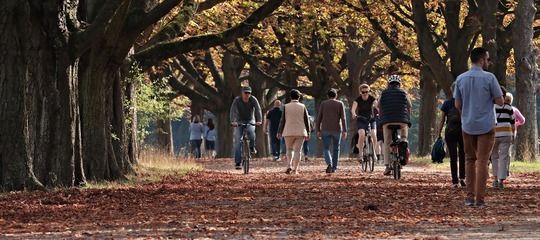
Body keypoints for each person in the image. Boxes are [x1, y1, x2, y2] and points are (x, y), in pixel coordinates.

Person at [454, 47, 504, 207]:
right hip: (486, 124)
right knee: (482, 161)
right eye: (488, 59)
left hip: (467, 124)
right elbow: (500, 102)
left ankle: (469, 197)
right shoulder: (490, 78)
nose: (489, 62)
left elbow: (457, 104)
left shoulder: (461, 79)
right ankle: (480, 200)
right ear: (481, 60)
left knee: (469, 160)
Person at [377, 75, 412, 176]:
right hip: (402, 120)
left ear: (389, 84)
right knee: (404, 137)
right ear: (399, 84)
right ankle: (402, 152)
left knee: (387, 143)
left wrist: (380, 119)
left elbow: (378, 106)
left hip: (387, 120)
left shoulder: (383, 93)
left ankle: (387, 166)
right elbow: (409, 106)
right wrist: (407, 118)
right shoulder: (404, 93)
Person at [437, 82, 466, 188]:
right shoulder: (464, 102)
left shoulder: (447, 103)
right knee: (463, 154)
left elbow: (441, 120)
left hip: (450, 131)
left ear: (452, 91)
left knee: (453, 156)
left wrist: (438, 133)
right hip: (463, 130)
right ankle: (463, 177)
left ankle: (454, 181)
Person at [277, 89, 311, 174]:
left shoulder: (286, 106)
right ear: (299, 97)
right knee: (297, 151)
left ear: (290, 97)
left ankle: (289, 164)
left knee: (289, 149)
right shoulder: (302, 106)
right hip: (300, 131)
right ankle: (295, 169)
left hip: (288, 131)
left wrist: (279, 131)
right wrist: (308, 132)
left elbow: (282, 120)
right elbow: (306, 120)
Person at [230, 86, 263, 170]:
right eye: (246, 93)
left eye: (249, 93)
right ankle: (238, 162)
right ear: (242, 93)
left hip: (250, 119)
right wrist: (233, 121)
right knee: (238, 140)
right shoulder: (237, 100)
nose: (247, 95)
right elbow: (233, 110)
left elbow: (258, 109)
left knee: (251, 132)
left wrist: (259, 120)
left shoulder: (253, 99)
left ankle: (252, 146)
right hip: (239, 120)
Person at [316, 88, 348, 173]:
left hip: (325, 129)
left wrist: (318, 129)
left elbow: (319, 117)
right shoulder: (340, 103)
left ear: (328, 96)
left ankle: (329, 162)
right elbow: (343, 118)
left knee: (326, 148)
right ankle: (334, 167)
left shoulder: (323, 103)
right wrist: (345, 130)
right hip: (337, 129)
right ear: (336, 95)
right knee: (336, 148)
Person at [491, 92, 516, 189]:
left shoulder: (492, 106)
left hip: (494, 133)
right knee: (504, 157)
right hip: (506, 133)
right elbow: (513, 122)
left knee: (494, 156)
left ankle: (495, 179)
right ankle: (501, 180)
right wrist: (513, 134)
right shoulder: (509, 107)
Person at [351, 84, 378, 162]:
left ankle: (374, 152)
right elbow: (353, 109)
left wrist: (380, 113)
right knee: (362, 134)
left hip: (371, 119)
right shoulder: (358, 99)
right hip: (361, 119)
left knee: (373, 134)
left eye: (367, 92)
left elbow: (377, 106)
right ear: (360, 92)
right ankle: (360, 154)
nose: (365, 94)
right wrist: (354, 114)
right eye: (363, 92)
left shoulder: (371, 98)